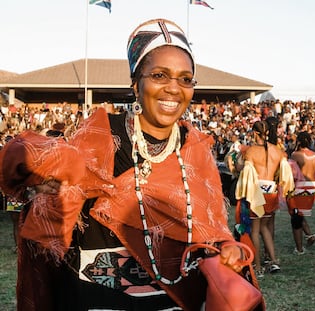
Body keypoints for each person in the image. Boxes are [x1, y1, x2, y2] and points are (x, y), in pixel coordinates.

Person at [0, 18, 262, 311]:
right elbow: (27, 159)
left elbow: (210, 229)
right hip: (96, 299)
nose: (174, 88)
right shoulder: (100, 136)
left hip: (173, 301)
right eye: (160, 75)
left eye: (185, 78)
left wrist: (224, 247)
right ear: (136, 84)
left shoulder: (194, 149)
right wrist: (51, 178)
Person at [236, 120, 294, 277]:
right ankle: (273, 261)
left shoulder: (251, 151)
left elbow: (242, 170)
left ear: (255, 133)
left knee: (255, 229)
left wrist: (236, 160)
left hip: (257, 192)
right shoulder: (278, 150)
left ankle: (258, 266)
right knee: (265, 227)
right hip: (272, 191)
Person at [288, 131, 315, 254]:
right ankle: (309, 235)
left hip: (299, 187)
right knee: (300, 214)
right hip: (312, 187)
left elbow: (291, 175)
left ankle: (299, 248)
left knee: (295, 217)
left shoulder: (295, 155)